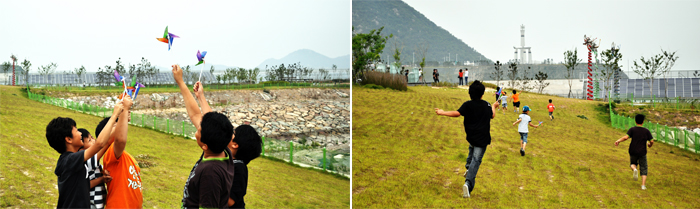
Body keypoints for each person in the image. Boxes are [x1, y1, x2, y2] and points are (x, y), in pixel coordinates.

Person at [192, 81, 262, 208]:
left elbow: (230, 201)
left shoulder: (239, 168)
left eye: (233, 133)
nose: (229, 133)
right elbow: (212, 122)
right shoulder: (223, 155)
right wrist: (200, 96)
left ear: (235, 144)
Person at [173, 65, 235, 208]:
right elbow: (198, 115)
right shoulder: (222, 150)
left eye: (198, 130)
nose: (197, 127)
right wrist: (186, 86)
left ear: (205, 145)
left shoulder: (210, 173)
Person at [46, 103, 122, 208]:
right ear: (68, 139)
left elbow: (84, 186)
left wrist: (101, 179)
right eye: (76, 131)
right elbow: (100, 144)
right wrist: (115, 116)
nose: (80, 134)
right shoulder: (70, 160)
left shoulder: (73, 162)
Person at [434, 80, 499, 198]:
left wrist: (442, 112)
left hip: (471, 137)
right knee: (476, 160)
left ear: (470, 93)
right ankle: (468, 184)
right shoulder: (486, 105)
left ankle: (469, 167)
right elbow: (492, 115)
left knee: (472, 152)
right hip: (482, 139)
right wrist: (494, 106)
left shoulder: (467, 105)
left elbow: (457, 113)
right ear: (482, 94)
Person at [96, 96, 144, 208]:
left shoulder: (125, 156)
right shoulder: (110, 153)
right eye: (114, 126)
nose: (119, 127)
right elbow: (120, 139)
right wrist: (125, 110)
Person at [614, 114, 654, 190]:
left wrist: (618, 141)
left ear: (635, 121)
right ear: (643, 122)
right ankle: (643, 185)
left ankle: (634, 169)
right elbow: (652, 141)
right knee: (644, 168)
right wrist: (649, 145)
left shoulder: (632, 129)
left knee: (633, 164)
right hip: (642, 152)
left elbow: (626, 137)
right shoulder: (646, 131)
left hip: (633, 150)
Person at [78, 128, 113, 209]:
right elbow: (105, 144)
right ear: (81, 149)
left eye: (92, 137)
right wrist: (102, 179)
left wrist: (102, 172)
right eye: (89, 140)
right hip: (92, 203)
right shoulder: (89, 160)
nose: (94, 140)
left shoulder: (91, 161)